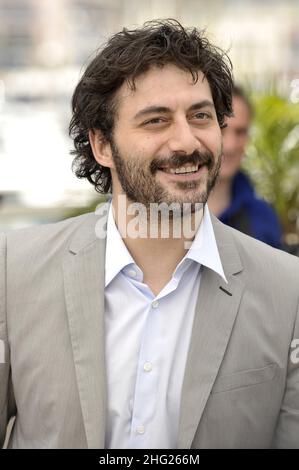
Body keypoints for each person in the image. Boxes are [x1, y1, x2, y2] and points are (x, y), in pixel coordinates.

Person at [0, 19, 299, 450]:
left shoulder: (287, 290)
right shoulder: (15, 271)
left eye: (200, 116)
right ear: (102, 145)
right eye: (156, 120)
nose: (186, 141)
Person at [208, 85, 282, 248]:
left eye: (240, 132)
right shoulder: (167, 211)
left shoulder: (263, 217)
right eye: (222, 129)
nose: (230, 146)